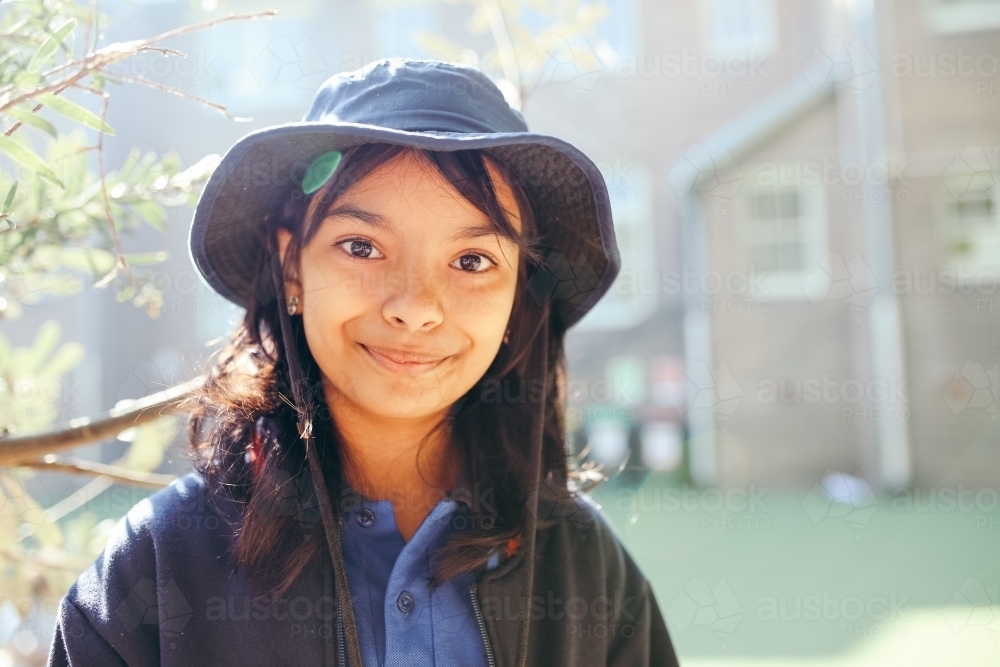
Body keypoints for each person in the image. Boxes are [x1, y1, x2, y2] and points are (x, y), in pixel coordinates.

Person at [48, 58, 679, 667]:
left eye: (472, 261)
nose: (415, 307)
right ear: (292, 265)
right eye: (361, 246)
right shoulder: (153, 572)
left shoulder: (586, 571)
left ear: (517, 295)